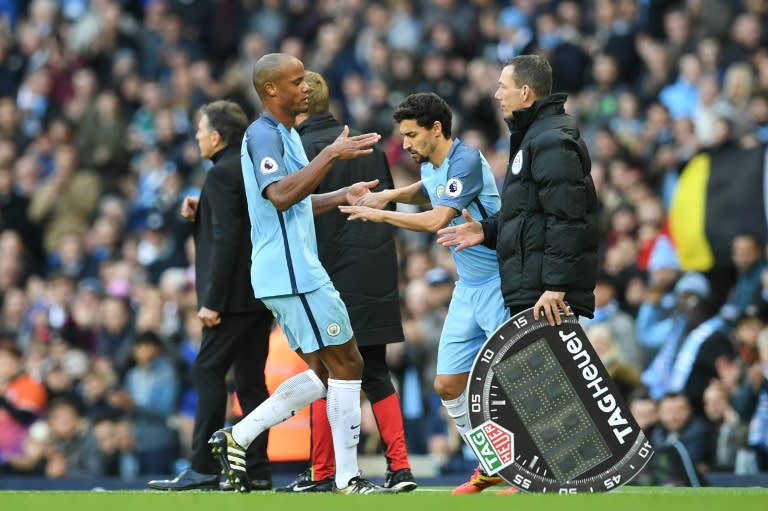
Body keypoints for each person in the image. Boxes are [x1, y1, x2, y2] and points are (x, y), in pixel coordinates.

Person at [208, 53, 387, 495]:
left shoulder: (284, 134)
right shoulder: (263, 134)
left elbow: (298, 199)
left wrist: (342, 192)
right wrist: (330, 153)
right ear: (271, 90)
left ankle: (238, 436)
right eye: (295, 81)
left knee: (329, 372)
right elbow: (281, 196)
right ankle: (347, 479)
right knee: (348, 362)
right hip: (292, 272)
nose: (305, 86)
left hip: (290, 270)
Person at [436, 54, 599, 493]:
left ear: (526, 92)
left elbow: (569, 219)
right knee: (528, 382)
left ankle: (561, 475)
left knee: (542, 384)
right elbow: (526, 217)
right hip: (528, 280)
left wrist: (556, 286)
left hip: (545, 286)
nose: (496, 94)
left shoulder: (551, 140)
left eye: (503, 86)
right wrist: (485, 230)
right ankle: (524, 471)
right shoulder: (533, 137)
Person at [339, 92, 509, 494]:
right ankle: (494, 464)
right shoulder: (436, 165)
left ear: (437, 129)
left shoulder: (465, 160)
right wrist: (389, 194)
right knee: (448, 385)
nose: (407, 144)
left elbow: (436, 217)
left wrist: (378, 213)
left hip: (498, 284)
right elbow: (427, 188)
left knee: (511, 381)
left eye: (412, 135)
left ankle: (532, 471)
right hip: (467, 288)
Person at [275, 70, 415, 493]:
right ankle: (401, 467)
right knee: (374, 369)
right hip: (375, 269)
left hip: (326, 273)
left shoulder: (296, 147)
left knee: (325, 369)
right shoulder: (370, 146)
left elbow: (290, 213)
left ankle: (322, 472)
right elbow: (385, 201)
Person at [147, 100, 274, 491]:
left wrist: (212, 301)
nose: (198, 137)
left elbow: (227, 239)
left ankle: (202, 465)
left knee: (207, 370)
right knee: (251, 380)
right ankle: (256, 469)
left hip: (231, 299)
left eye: (201, 131)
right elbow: (245, 220)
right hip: (260, 292)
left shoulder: (220, 174)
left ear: (216, 137)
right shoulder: (248, 167)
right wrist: (203, 210)